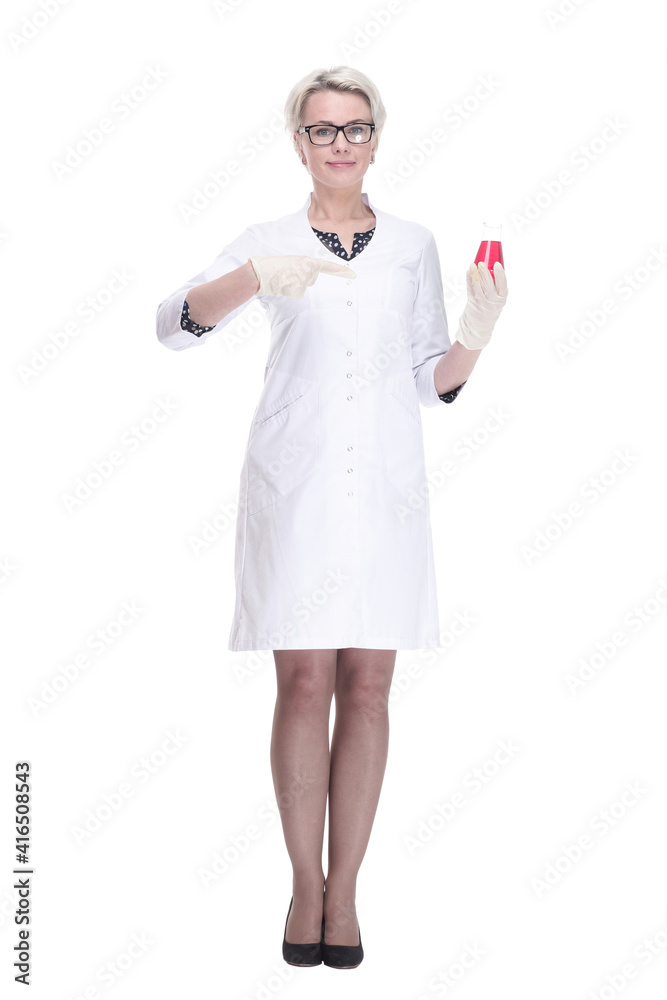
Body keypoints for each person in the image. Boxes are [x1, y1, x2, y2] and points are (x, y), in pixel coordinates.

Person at [156, 65, 508, 970]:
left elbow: (428, 381)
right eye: (322, 129)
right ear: (299, 142)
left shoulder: (413, 245)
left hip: (386, 491)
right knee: (305, 682)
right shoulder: (265, 240)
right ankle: (301, 885)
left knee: (369, 687)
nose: (339, 143)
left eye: (355, 127)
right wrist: (253, 277)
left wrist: (474, 334)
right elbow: (173, 324)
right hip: (297, 485)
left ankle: (344, 892)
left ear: (376, 139)